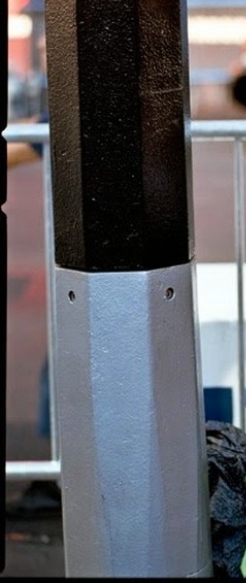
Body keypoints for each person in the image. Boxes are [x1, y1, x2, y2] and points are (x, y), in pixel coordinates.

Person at [5, 34, 62, 519]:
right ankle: (56, 472)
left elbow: (21, 146)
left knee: (63, 359)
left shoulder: (71, 102)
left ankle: (57, 477)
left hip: (86, 263)